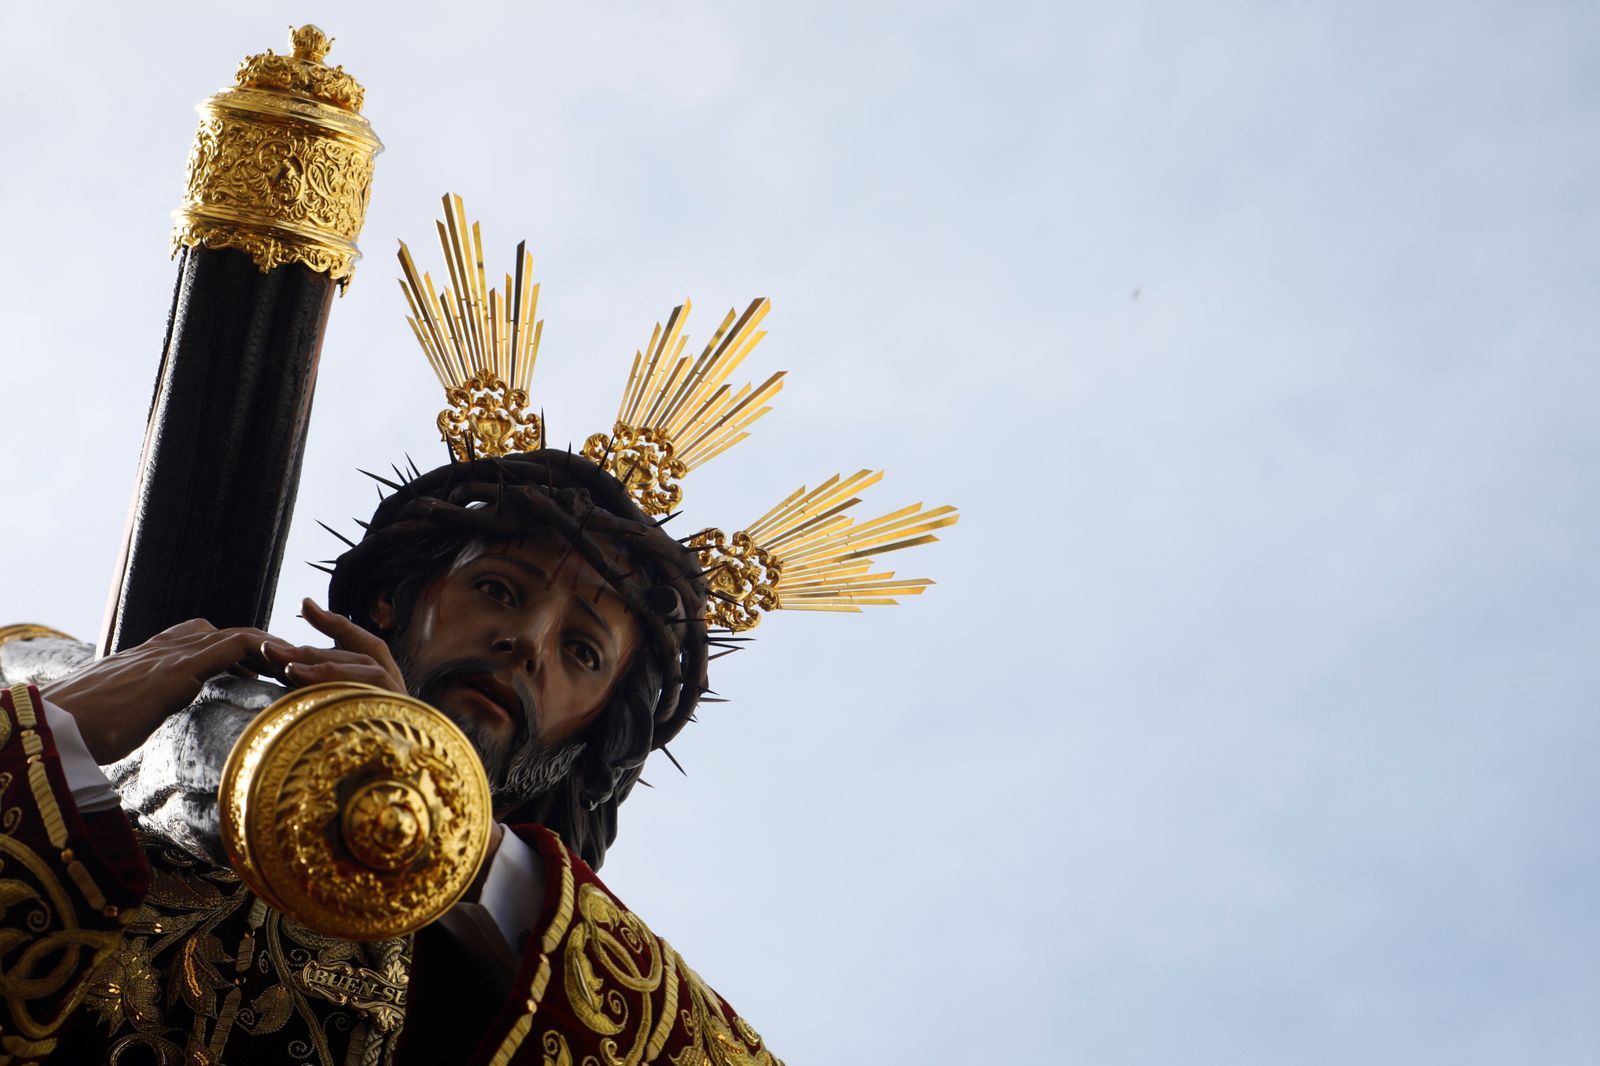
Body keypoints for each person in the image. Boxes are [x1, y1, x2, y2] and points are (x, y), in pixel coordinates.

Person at [0, 450, 781, 1065]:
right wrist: (55, 731)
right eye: (500, 590)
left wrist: (455, 834)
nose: (527, 640)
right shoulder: (135, 717)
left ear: (588, 736)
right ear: (393, 602)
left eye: (581, 650)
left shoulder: (511, 975)